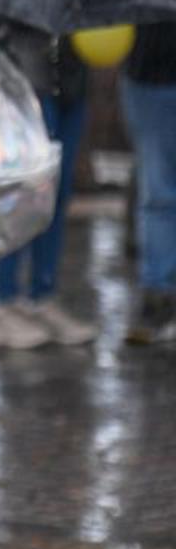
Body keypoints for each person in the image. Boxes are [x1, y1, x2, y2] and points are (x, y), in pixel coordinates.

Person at [0, 26, 96, 349]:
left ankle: (43, 294)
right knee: (23, 195)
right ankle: (6, 301)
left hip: (72, 81)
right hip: (27, 81)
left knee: (57, 196)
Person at [122, 21, 176, 344]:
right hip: (150, 80)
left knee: (157, 192)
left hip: (147, 79)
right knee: (158, 192)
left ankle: (158, 291)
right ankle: (158, 294)